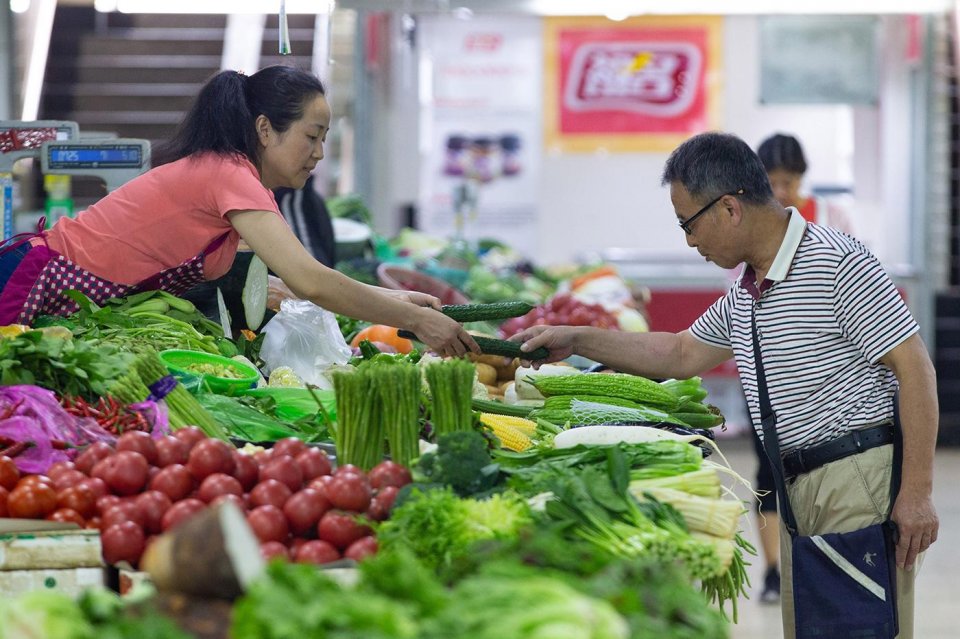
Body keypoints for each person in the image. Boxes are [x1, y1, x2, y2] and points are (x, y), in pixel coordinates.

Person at [513, 132, 939, 638]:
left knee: (859, 626)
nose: (690, 242)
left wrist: (917, 494)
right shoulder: (750, 287)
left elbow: (915, 370)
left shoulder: (836, 262)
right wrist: (576, 338)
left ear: (730, 209)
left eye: (689, 224)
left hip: (854, 480)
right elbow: (680, 353)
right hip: (798, 481)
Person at [0, 65, 477, 359]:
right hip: (30, 284)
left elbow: (285, 283)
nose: (319, 153)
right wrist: (416, 322)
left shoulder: (229, 176)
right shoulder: (230, 174)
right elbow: (311, 279)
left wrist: (396, 303)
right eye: (311, 136)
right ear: (266, 129)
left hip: (62, 301)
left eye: (325, 139)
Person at [757, 132, 854, 234]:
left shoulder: (834, 217)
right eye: (771, 184)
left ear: (800, 176)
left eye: (787, 183)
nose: (780, 192)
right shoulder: (755, 221)